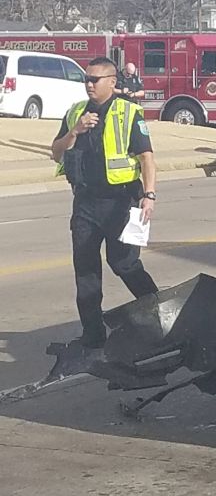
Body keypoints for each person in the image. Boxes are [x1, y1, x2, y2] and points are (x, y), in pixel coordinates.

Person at [51, 57, 158, 348]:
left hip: (120, 201)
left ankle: (159, 314)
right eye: (86, 79)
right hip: (85, 203)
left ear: (112, 81)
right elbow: (57, 152)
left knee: (123, 263)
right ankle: (93, 333)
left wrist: (148, 196)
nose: (88, 84)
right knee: (85, 268)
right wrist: (76, 131)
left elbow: (146, 157)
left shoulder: (128, 112)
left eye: (94, 80)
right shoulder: (76, 113)